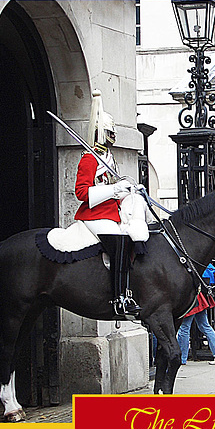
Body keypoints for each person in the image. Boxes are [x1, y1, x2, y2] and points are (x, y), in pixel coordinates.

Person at [74, 90, 143, 317]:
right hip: (93, 214)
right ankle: (119, 297)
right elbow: (81, 192)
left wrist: (130, 189)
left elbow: (115, 187)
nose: (113, 135)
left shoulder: (108, 158)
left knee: (134, 237)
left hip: (110, 213)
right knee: (121, 243)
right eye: (110, 131)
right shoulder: (89, 158)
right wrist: (114, 189)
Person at [177, 265, 215, 366]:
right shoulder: (203, 263)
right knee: (204, 326)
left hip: (192, 299)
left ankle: (181, 358)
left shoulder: (189, 262)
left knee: (184, 328)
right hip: (201, 298)